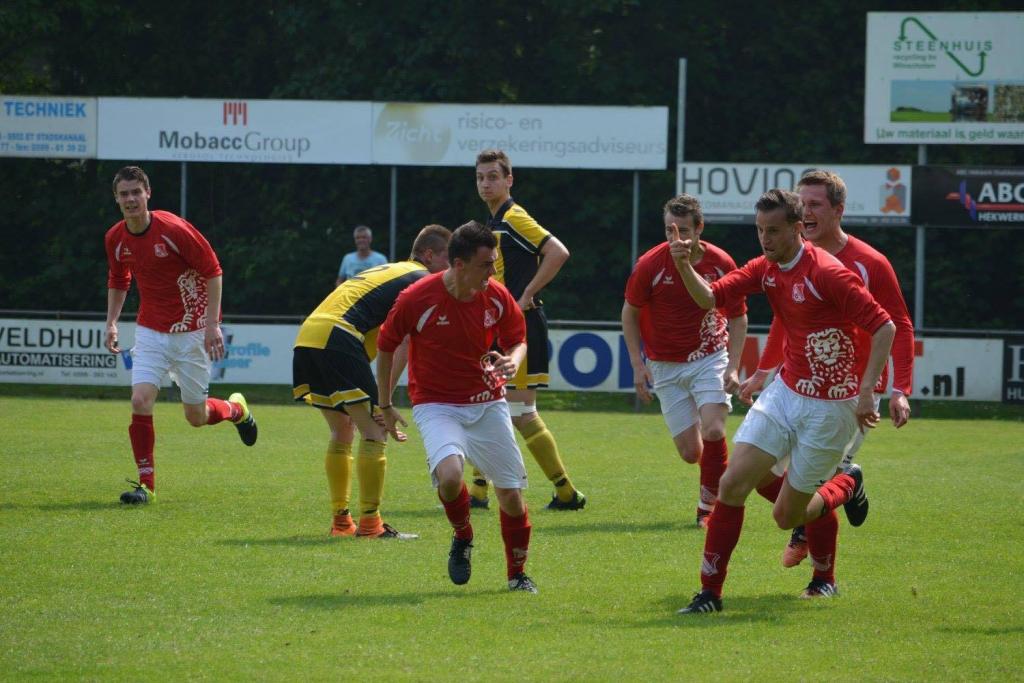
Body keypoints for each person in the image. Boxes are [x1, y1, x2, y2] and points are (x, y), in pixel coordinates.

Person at [672, 189, 896, 614]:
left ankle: (846, 484)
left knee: (785, 517)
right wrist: (684, 263)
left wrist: (868, 392)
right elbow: (709, 297)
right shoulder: (765, 268)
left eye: (773, 231)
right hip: (787, 392)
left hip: (833, 407)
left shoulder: (830, 274)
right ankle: (709, 595)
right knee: (732, 484)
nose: (764, 239)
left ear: (797, 230)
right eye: (759, 230)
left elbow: (884, 327)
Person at [738, 170, 915, 589]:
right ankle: (820, 506)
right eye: (804, 204)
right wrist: (765, 370)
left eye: (817, 204)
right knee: (766, 475)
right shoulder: (793, 256)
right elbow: (786, 322)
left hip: (848, 397)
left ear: (839, 210)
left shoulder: (869, 263)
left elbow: (898, 325)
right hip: (795, 388)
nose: (809, 211)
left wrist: (899, 389)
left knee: (808, 486)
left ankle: (823, 574)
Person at [375, 221, 537, 593]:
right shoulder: (417, 298)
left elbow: (518, 339)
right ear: (459, 264)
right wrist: (384, 403)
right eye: (486, 265)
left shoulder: (495, 296)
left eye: (495, 263)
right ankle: (463, 534)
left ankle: (517, 575)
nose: (493, 273)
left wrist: (513, 359)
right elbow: (386, 347)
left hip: (487, 402)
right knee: (450, 477)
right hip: (437, 405)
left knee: (510, 496)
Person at [104, 165, 257, 505]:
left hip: (191, 333)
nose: (130, 199)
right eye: (124, 194)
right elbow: (119, 280)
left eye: (135, 192)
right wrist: (112, 322)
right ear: (116, 198)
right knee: (140, 400)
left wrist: (212, 324)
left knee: (196, 417)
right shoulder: (116, 238)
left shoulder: (173, 229)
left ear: (148, 194)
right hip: (149, 332)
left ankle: (236, 410)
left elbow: (213, 271)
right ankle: (146, 485)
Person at [293, 224, 451, 538]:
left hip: (310, 335)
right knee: (375, 431)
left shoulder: (392, 269)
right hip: (339, 336)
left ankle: (341, 522)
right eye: (449, 258)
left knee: (342, 430)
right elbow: (405, 343)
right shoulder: (421, 280)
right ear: (429, 255)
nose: (450, 268)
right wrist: (385, 402)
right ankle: (371, 525)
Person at [469, 148, 585, 511]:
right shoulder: (493, 223)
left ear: (509, 180)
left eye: (492, 176)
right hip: (501, 328)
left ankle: (566, 492)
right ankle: (478, 490)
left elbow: (558, 252)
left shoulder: (514, 217)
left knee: (519, 412)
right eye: (480, 177)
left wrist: (524, 296)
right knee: (485, 404)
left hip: (520, 326)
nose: (486, 183)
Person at [622, 194, 748, 527]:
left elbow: (737, 317)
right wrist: (637, 364)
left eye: (683, 231)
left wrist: (733, 365)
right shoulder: (650, 264)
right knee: (691, 453)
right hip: (665, 364)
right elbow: (629, 313)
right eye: (669, 230)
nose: (676, 238)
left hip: (710, 355)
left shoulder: (721, 263)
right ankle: (724, 473)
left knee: (714, 427)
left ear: (700, 228)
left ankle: (709, 510)